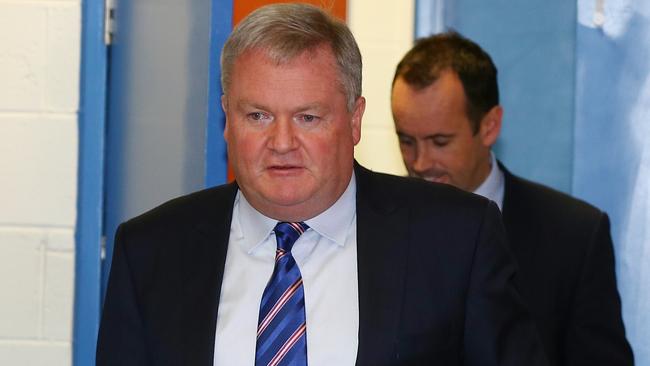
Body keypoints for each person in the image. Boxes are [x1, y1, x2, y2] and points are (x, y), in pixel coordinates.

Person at [96, 5, 549, 365]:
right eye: (258, 116)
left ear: (354, 121)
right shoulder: (152, 250)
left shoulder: (455, 240)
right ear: (227, 120)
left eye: (307, 117)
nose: (282, 143)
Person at [391, 31, 634, 366]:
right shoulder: (375, 226)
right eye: (406, 141)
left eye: (440, 142)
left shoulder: (574, 237)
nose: (420, 163)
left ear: (490, 126)